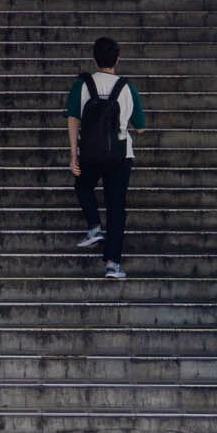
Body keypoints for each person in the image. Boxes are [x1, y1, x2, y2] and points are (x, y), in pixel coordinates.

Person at [66, 36, 144, 279]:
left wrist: (73, 155)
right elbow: (140, 127)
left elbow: (72, 119)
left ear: (94, 58)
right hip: (120, 155)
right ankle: (113, 263)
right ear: (117, 60)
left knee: (83, 185)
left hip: (89, 152)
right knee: (116, 207)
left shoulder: (82, 84)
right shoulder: (127, 87)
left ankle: (94, 226)